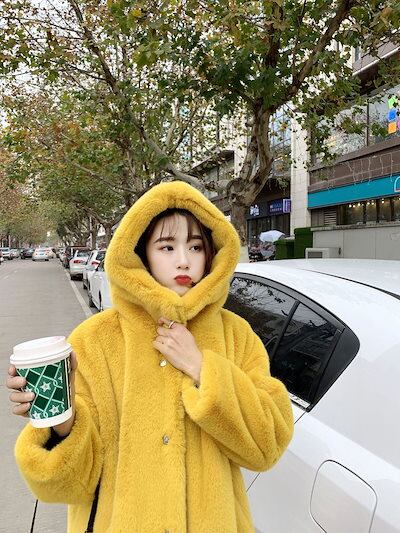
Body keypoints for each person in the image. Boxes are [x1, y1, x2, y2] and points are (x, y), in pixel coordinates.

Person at [7, 181, 294, 532]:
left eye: (195, 246)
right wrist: (60, 421)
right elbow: (65, 485)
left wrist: (202, 368)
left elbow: (267, 447)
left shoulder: (236, 335)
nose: (184, 260)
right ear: (141, 253)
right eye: (167, 247)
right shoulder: (95, 340)